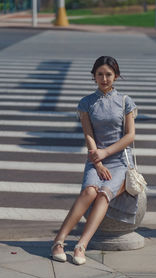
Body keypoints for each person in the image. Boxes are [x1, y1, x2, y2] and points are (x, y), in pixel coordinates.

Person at [51, 56, 137, 265]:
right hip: (95, 158)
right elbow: (88, 135)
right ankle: (58, 241)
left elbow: (130, 136)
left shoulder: (125, 101)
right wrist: (97, 162)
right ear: (94, 76)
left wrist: (105, 153)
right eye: (100, 74)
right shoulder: (86, 103)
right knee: (89, 191)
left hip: (120, 160)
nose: (104, 78)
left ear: (116, 76)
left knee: (103, 195)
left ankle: (81, 245)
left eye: (109, 74)